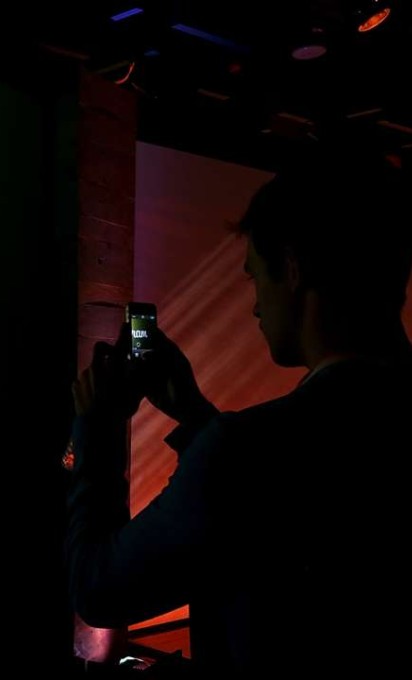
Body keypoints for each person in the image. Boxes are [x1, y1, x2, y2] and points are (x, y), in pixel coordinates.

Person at [64, 146, 412, 677]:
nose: (253, 305)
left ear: (293, 269)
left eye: (255, 277)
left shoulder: (245, 454)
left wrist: (100, 436)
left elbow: (99, 588)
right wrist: (199, 418)